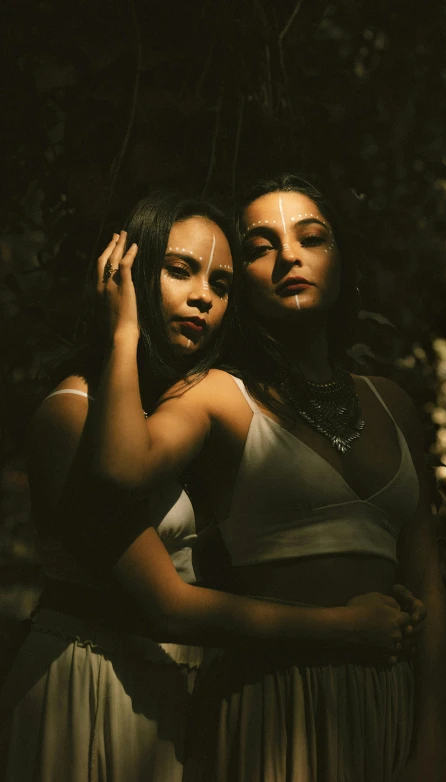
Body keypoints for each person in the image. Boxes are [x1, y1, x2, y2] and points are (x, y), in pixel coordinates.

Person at [0, 188, 420, 782]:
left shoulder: (180, 414)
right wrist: (344, 627)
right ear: (126, 274)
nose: (201, 296)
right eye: (179, 271)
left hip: (178, 697)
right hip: (92, 690)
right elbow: (166, 605)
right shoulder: (73, 415)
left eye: (221, 286)